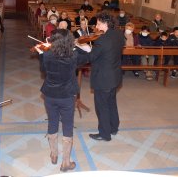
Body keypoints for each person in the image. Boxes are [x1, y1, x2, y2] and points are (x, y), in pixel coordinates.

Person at [35, 29, 89, 172]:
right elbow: (89, 53)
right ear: (68, 41)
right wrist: (77, 43)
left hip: (50, 95)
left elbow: (43, 69)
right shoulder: (74, 56)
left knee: (52, 122)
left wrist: (42, 52)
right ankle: (66, 162)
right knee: (67, 125)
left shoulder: (46, 55)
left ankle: (54, 154)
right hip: (67, 95)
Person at [88, 11, 124, 141]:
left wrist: (86, 47)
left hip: (103, 79)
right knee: (111, 103)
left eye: (98, 23)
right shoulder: (119, 35)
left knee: (102, 107)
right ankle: (114, 128)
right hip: (114, 77)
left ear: (105, 24)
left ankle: (104, 134)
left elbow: (91, 57)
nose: (96, 26)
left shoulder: (101, 40)